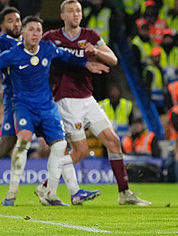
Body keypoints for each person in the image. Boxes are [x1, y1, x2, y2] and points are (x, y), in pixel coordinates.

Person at [43, 0, 151, 205]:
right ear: (62, 16)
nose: (76, 14)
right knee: (81, 151)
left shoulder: (90, 36)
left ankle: (124, 193)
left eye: (78, 11)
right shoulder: (52, 37)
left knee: (113, 141)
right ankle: (47, 186)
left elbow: (113, 60)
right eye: (71, 11)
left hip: (87, 98)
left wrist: (96, 52)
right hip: (66, 100)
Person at [0, 16, 108, 206]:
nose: (35, 34)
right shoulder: (12, 54)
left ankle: (50, 194)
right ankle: (11, 193)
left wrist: (86, 63)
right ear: (23, 33)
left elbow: (68, 57)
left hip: (47, 107)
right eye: (31, 30)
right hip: (24, 106)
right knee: (23, 139)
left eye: (39, 30)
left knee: (60, 147)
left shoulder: (48, 49)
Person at [0, 7, 22, 159]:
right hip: (13, 97)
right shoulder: (2, 43)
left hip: (36, 97)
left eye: (18, 20)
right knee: (7, 142)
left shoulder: (29, 39)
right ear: (2, 26)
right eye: (10, 21)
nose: (16, 24)